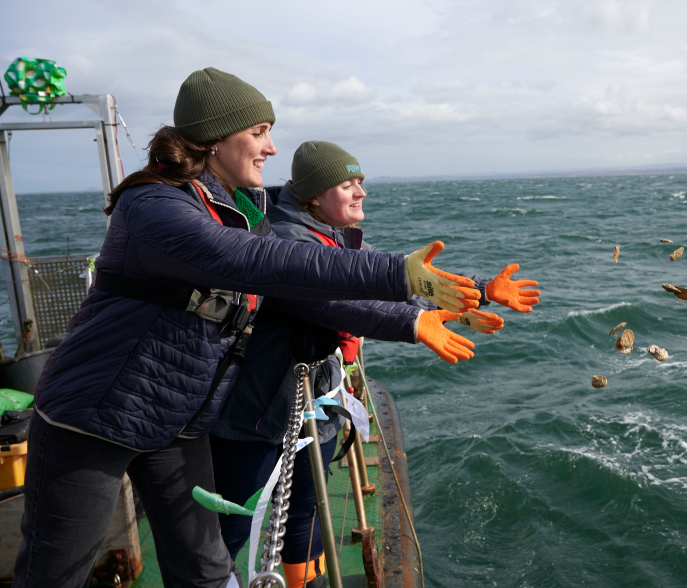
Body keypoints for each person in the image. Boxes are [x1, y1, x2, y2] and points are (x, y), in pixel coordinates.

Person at [14, 69, 482, 588]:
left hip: (176, 413)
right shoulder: (155, 206)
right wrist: (396, 273)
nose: (271, 146)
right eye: (258, 132)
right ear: (216, 139)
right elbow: (261, 260)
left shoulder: (239, 209)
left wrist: (458, 294)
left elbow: (320, 289)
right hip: (95, 411)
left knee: (206, 568)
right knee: (57, 572)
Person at [209, 141, 541, 586]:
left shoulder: (332, 234)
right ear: (312, 196)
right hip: (257, 415)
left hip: (314, 407)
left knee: (306, 511)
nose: (360, 192)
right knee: (227, 528)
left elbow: (389, 285)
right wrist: (415, 323)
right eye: (347, 184)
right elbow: (334, 304)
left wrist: (478, 290)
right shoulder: (287, 240)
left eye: (360, 182)